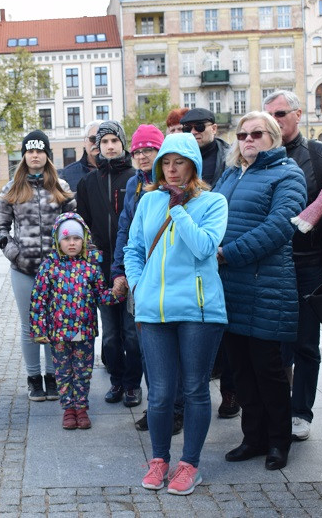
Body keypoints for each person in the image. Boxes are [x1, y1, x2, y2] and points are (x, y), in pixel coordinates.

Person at [125, 132, 228, 495]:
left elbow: (203, 248)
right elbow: (133, 248)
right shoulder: (148, 201)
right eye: (164, 163)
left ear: (193, 165)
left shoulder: (214, 202)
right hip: (154, 312)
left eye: (178, 162)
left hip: (199, 311)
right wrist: (138, 285)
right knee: (160, 393)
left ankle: (190, 465)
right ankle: (159, 460)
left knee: (196, 388)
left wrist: (179, 209)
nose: (170, 170)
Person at [213, 111, 306, 471]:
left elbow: (280, 227)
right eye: (242, 134)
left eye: (256, 133)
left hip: (266, 288)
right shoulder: (230, 173)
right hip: (229, 288)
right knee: (240, 369)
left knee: (269, 371)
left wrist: (226, 253)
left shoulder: (288, 174)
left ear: (273, 137)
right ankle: (252, 437)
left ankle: (278, 442)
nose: (248, 140)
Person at [263, 90, 322, 442]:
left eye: (280, 114)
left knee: (306, 342)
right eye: (268, 116)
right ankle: (276, 409)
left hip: (308, 262)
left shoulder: (321, 156)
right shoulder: (261, 155)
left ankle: (300, 412)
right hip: (271, 262)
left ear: (298, 114)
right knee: (274, 341)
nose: (274, 121)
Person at [110, 124, 184, 434]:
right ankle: (157, 407)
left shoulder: (173, 183)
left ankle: (176, 409)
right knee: (147, 347)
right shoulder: (133, 185)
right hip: (140, 277)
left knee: (172, 349)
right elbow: (126, 230)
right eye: (137, 151)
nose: (141, 156)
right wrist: (119, 271)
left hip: (170, 277)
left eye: (148, 150)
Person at [0, 130, 75, 402]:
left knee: (54, 323)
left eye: (40, 150)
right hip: (24, 268)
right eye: (30, 151)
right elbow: (0, 227)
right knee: (30, 326)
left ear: (47, 155)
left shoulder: (61, 188)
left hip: (55, 269)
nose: (35, 155)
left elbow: (73, 225)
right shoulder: (12, 189)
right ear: (24, 155)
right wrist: (13, 252)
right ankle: (33, 378)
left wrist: (67, 257)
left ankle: (52, 376)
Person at [30, 212, 124, 430]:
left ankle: (81, 408)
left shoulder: (91, 267)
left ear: (84, 240)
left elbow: (101, 295)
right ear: (57, 240)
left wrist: (118, 293)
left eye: (76, 238)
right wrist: (39, 328)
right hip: (59, 333)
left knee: (82, 371)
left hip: (84, 331)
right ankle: (68, 409)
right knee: (63, 372)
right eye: (66, 239)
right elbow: (38, 300)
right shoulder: (49, 267)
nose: (71, 243)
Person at [76, 120, 142, 407]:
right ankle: (116, 380)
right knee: (111, 335)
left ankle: (132, 384)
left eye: (115, 140)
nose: (110, 146)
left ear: (123, 144)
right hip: (102, 271)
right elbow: (84, 225)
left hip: (132, 267)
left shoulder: (136, 178)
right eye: (104, 142)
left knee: (132, 333)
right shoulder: (88, 183)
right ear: (97, 147)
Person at [180, 106, 237, 418]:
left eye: (199, 126)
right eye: (187, 127)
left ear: (214, 127)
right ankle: (192, 398)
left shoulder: (231, 159)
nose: (194, 132)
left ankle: (230, 392)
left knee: (225, 331)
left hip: (225, 255)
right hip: (189, 260)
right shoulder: (179, 163)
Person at [60, 120, 103, 192]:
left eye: (102, 139)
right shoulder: (67, 174)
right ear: (85, 141)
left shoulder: (118, 171)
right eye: (93, 139)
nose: (97, 143)